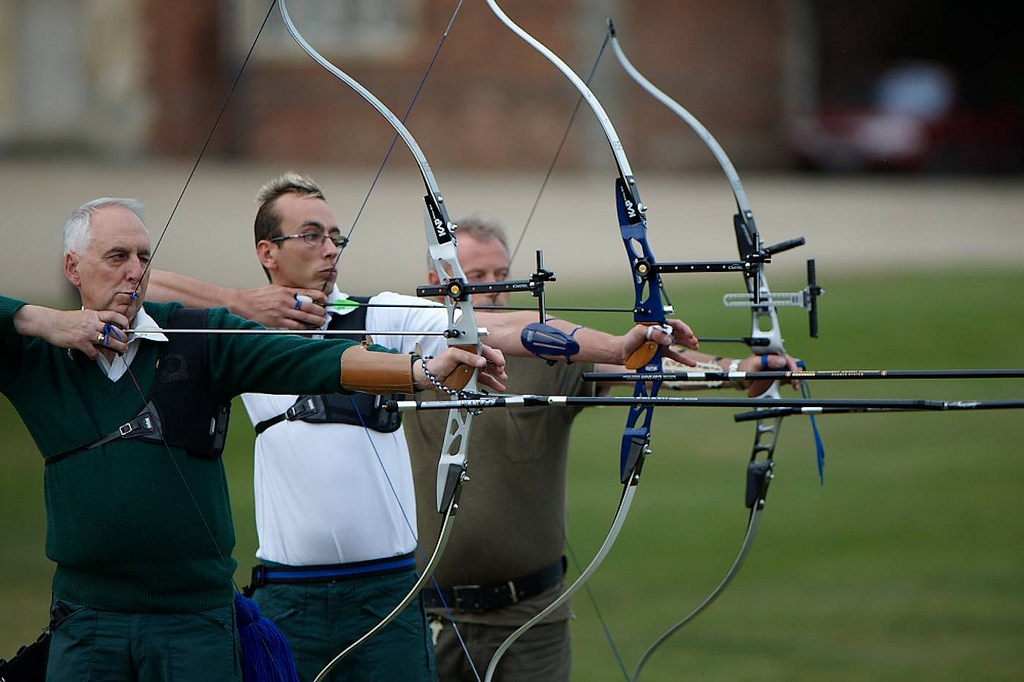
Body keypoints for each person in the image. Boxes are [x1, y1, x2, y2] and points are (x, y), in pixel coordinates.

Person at [144, 172, 700, 682]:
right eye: (311, 235)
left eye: (335, 236)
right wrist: (237, 302)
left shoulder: (380, 315)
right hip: (289, 598)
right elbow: (125, 285)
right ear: (268, 252)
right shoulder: (233, 331)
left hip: (388, 594)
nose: (330, 249)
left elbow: (503, 326)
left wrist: (618, 344)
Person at [0, 196, 505, 682]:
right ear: (73, 268)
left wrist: (421, 370)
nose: (135, 270)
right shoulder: (39, 357)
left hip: (194, 623)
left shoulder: (202, 336)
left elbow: (313, 360)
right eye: (117, 256)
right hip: (88, 623)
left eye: (143, 257)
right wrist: (39, 319)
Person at [402, 215, 801, 682]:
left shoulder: (549, 351)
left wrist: (737, 370)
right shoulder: (404, 355)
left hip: (531, 615)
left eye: (500, 273)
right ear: (437, 283)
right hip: (426, 616)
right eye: (477, 278)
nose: (495, 287)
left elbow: (647, 368)